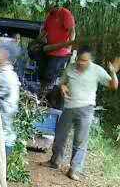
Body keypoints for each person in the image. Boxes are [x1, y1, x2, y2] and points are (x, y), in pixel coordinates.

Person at [48, 45, 119, 180]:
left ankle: (74, 169)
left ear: (91, 60)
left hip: (86, 109)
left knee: (80, 140)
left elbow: (113, 86)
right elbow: (62, 82)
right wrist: (63, 87)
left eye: (85, 61)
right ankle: (55, 162)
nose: (81, 63)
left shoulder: (97, 70)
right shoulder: (70, 67)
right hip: (68, 107)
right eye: (80, 60)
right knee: (60, 136)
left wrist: (113, 72)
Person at [40, 5, 76, 89]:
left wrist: (69, 48)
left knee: (50, 77)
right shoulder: (50, 16)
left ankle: (46, 97)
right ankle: (41, 96)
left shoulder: (65, 13)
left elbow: (72, 31)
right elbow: (45, 31)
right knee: (43, 75)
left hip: (60, 52)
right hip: (49, 49)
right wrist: (37, 41)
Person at [0, 40, 20, 159]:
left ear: (5, 54)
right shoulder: (3, 74)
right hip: (3, 137)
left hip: (2, 138)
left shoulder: (4, 77)